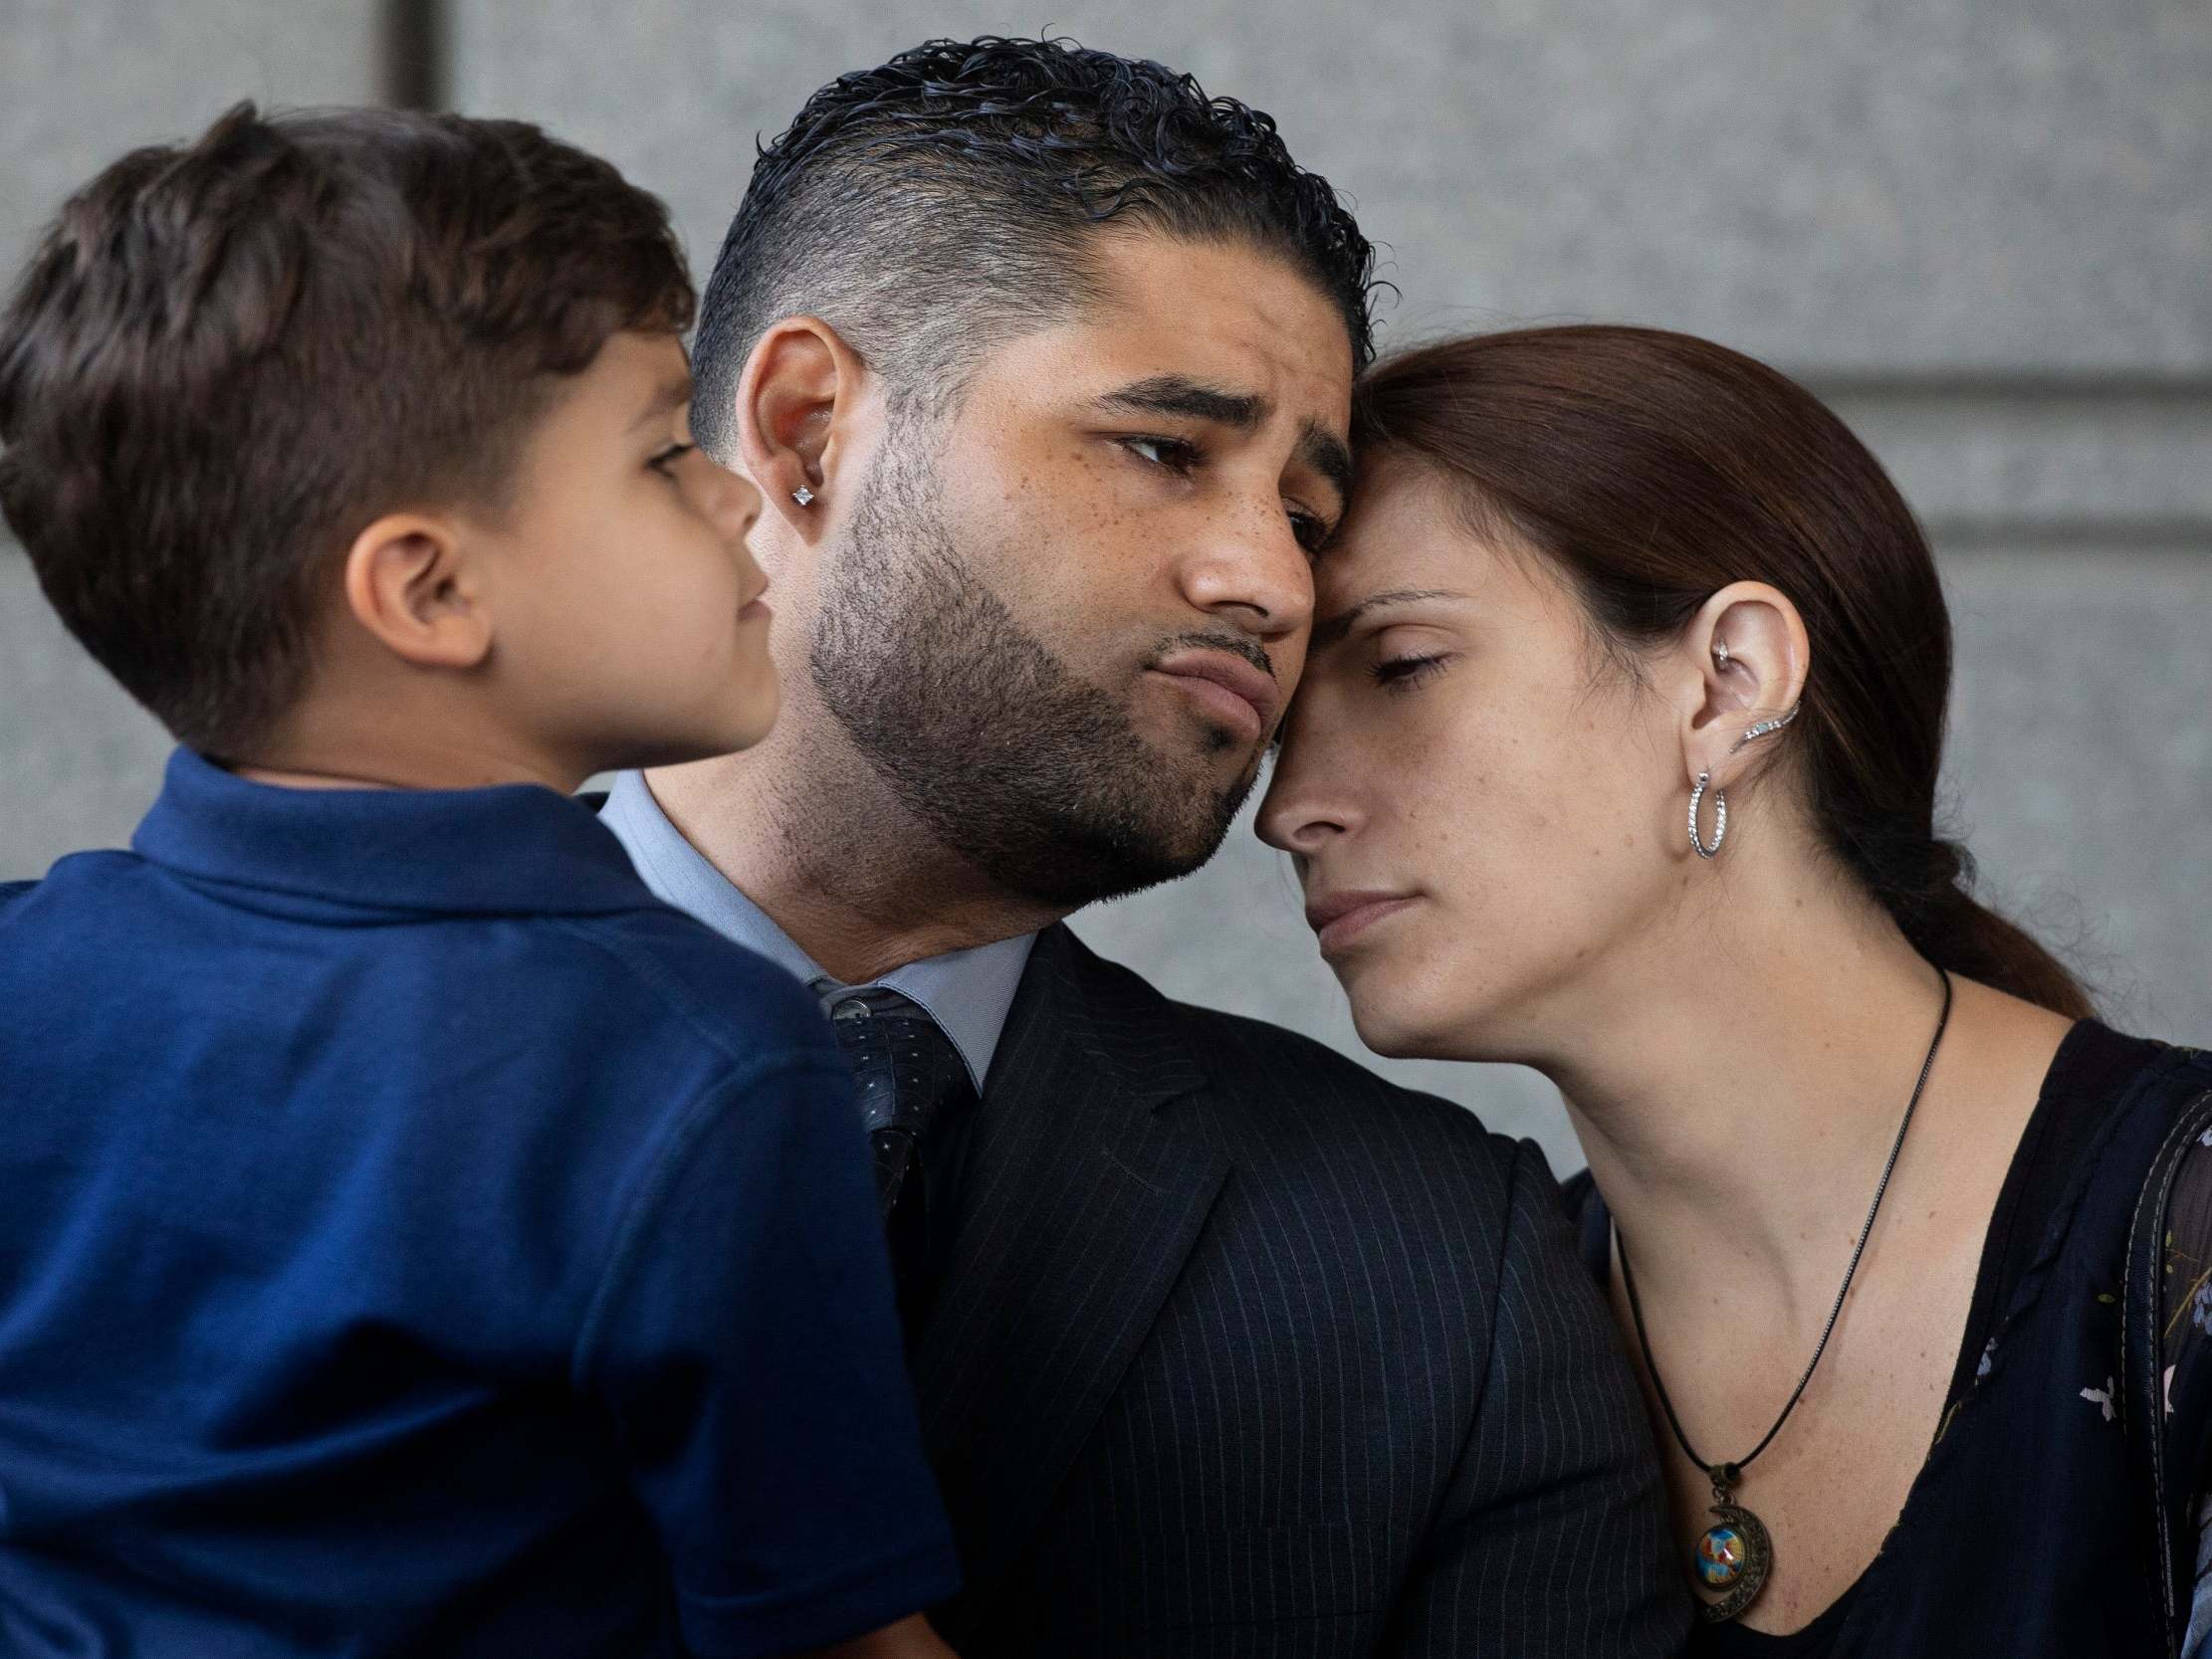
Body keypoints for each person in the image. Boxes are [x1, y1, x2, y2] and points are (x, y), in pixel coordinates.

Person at [600, 37, 1688, 1659]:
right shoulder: (178, 1046)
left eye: (1309, 519)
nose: (1270, 581)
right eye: (1164, 451)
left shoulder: (1451, 1270)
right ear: (809, 427)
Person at [0, 104, 958, 1658]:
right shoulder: (690, 1061)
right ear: (430, 589)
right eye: (660, 449)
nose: (732, 493)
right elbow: (828, 1637)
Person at [1258, 321, 2212, 1656]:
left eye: (1402, 667)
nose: (1290, 810)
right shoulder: (1490, 1325)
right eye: (1281, 728)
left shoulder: (2182, 1247)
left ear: (1726, 685)